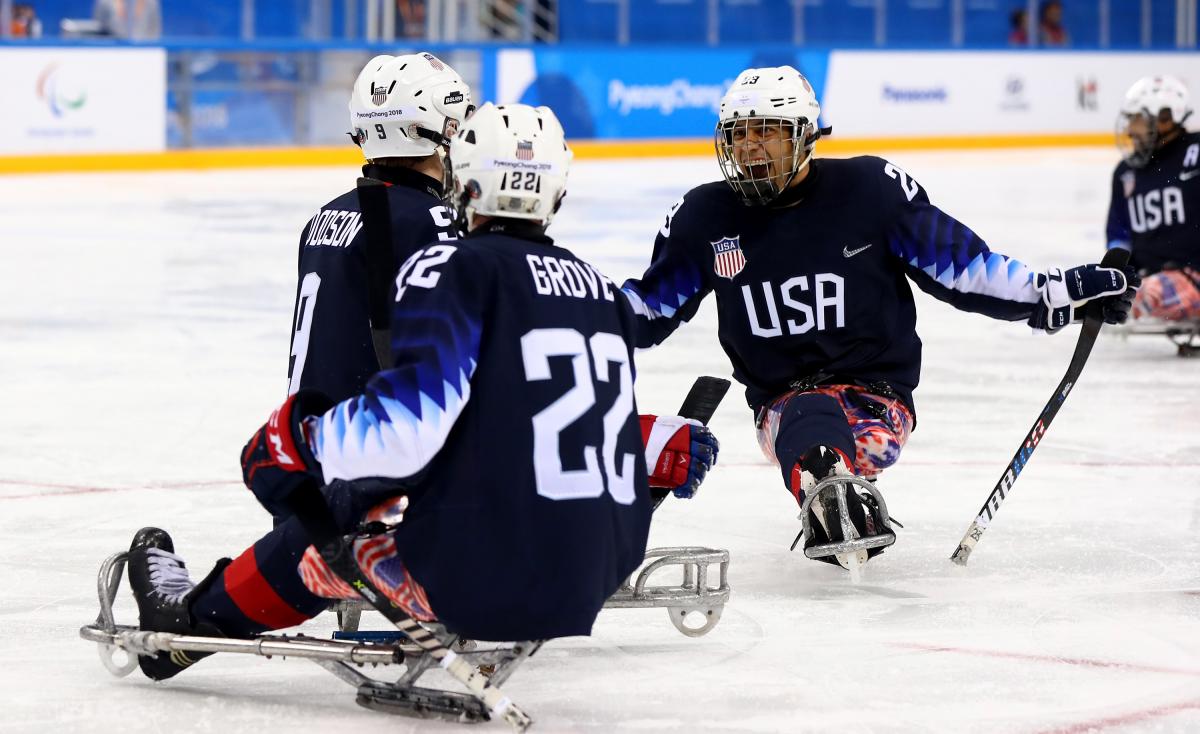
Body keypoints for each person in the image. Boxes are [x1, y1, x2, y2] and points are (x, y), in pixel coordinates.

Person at [119, 102, 720, 682]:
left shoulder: (447, 268)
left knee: (326, 538)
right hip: (597, 573)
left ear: (464, 179)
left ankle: (189, 623)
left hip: (477, 582)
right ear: (557, 189)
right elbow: (543, 416)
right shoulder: (599, 289)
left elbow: (404, 432)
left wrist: (294, 443)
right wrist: (652, 439)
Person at [619, 66, 1137, 573]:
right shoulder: (703, 216)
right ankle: (827, 481)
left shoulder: (870, 190)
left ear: (804, 136)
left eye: (766, 132)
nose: (750, 147)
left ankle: (834, 484)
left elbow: (964, 269)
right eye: (739, 134)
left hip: (878, 398)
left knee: (828, 427)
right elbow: (650, 309)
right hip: (781, 408)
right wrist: (578, 309)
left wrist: (1058, 293)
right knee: (806, 415)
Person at [286, 52, 470, 403]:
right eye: (455, 127)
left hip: (307, 436)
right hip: (369, 444)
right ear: (427, 131)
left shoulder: (323, 217)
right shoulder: (429, 220)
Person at [1107, 75, 1200, 324]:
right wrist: (1114, 279)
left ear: (1165, 118)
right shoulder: (1125, 173)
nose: (1129, 130)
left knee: (1145, 297)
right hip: (1149, 278)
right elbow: (1119, 236)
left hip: (1192, 276)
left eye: (1136, 119)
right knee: (1102, 294)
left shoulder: (1196, 153)